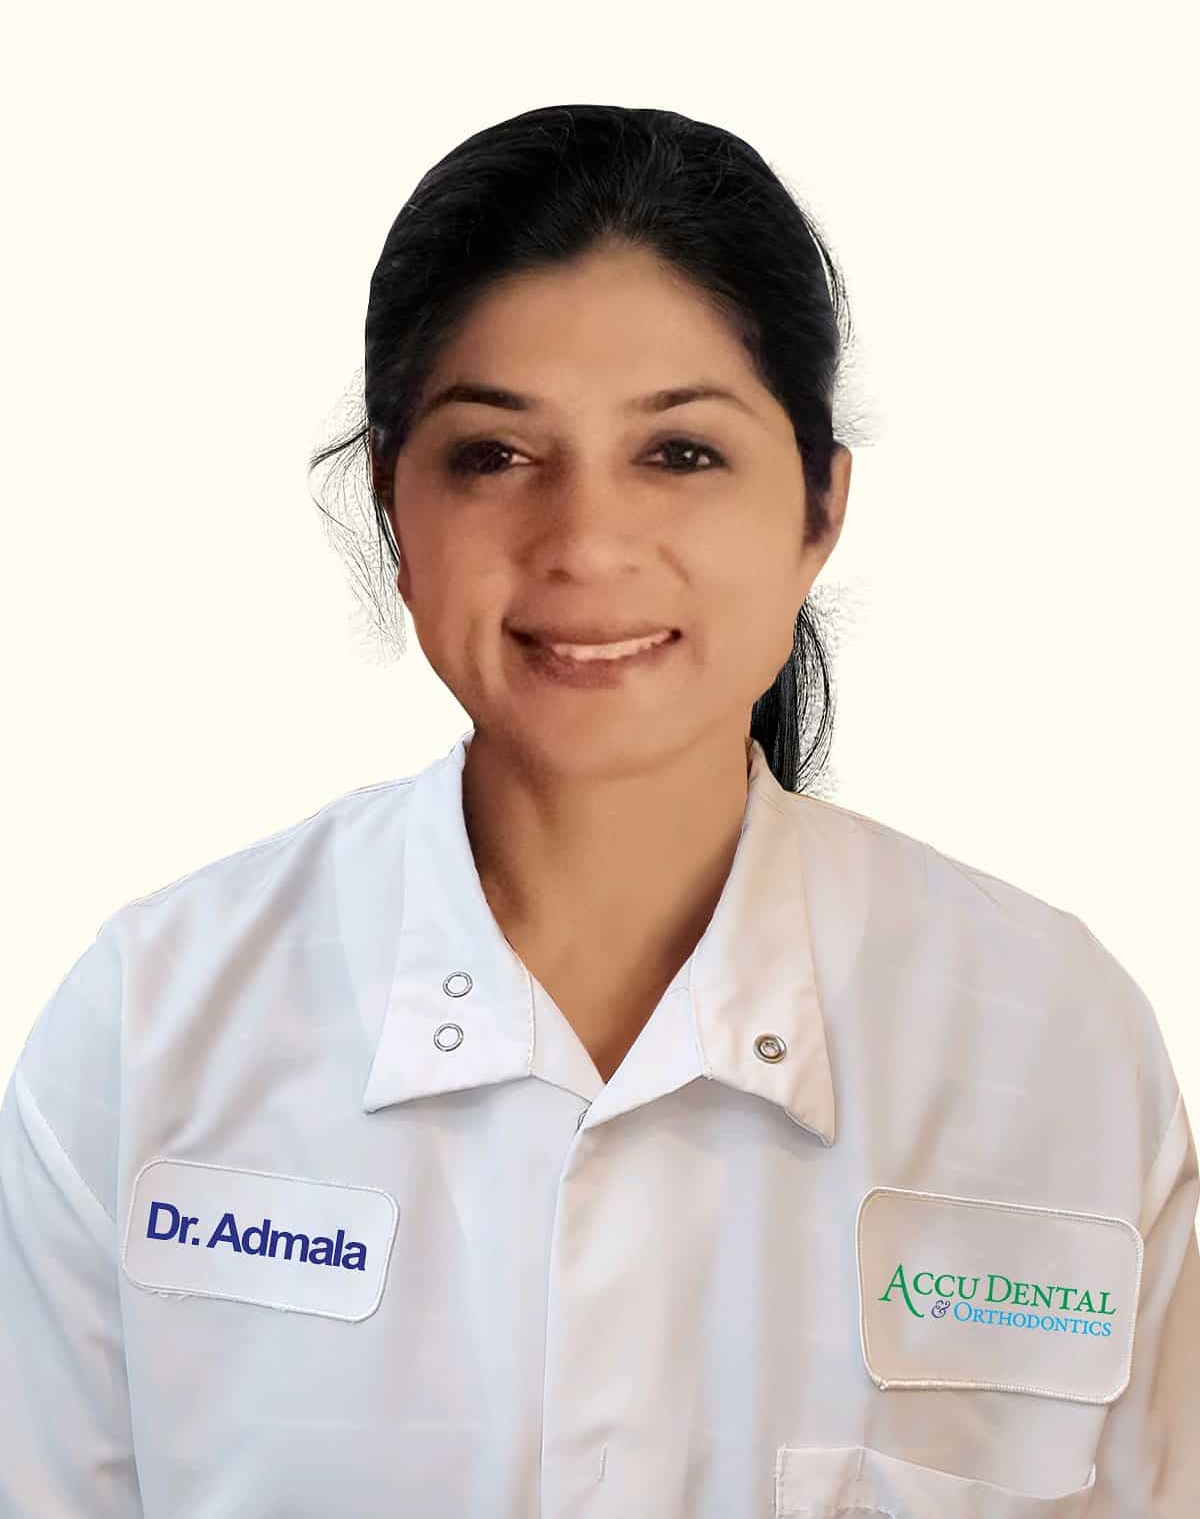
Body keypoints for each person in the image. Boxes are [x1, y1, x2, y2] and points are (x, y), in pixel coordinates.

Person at [1, 102, 1196, 1519]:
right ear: (393, 505)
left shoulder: (1049, 1036)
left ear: (819, 507)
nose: (584, 544)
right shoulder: (152, 1023)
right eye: (494, 455)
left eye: (679, 453)